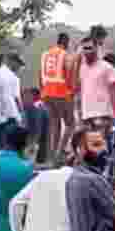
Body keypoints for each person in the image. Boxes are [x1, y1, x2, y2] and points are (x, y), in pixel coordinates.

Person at [76, 41, 115, 175]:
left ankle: (106, 174)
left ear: (97, 49)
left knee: (100, 145)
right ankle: (94, 173)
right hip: (87, 114)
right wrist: (79, 112)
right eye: (84, 49)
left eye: (90, 48)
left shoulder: (107, 68)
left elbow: (114, 91)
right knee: (89, 146)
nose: (86, 51)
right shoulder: (82, 68)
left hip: (103, 112)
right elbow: (80, 91)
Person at [39, 33, 76, 166]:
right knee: (70, 123)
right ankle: (59, 153)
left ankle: (51, 156)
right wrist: (72, 91)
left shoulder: (45, 54)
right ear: (66, 42)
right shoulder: (65, 55)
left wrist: (42, 92)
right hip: (61, 92)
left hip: (46, 92)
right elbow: (69, 72)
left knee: (54, 124)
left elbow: (40, 74)